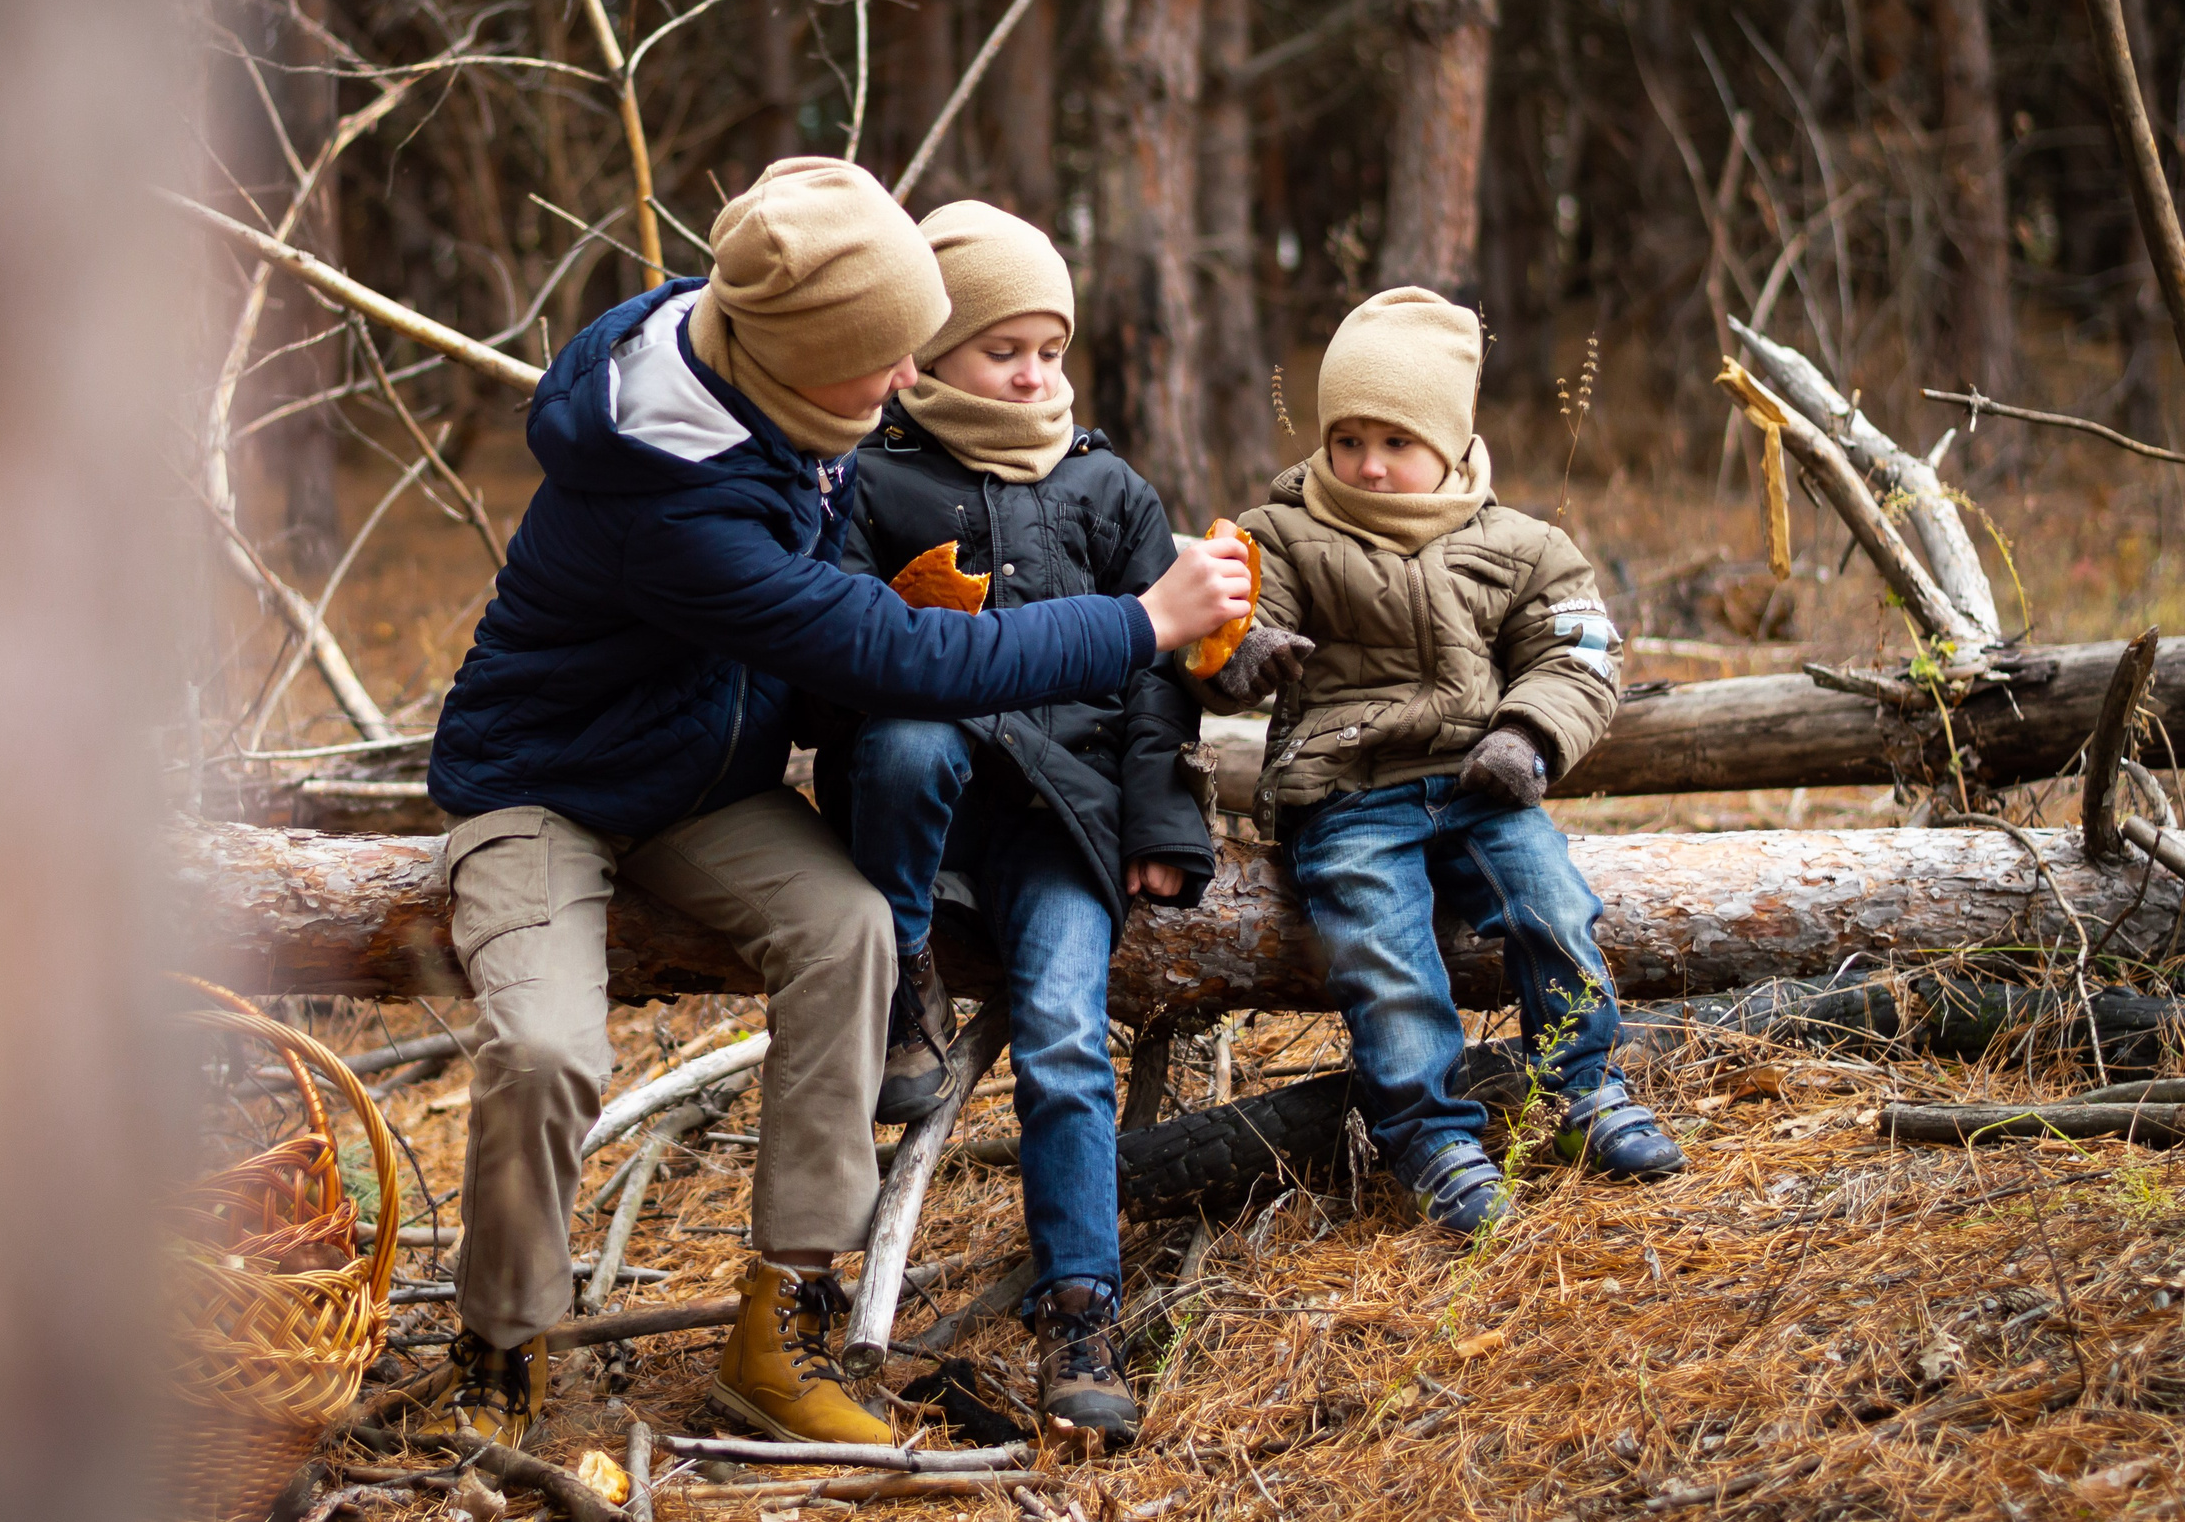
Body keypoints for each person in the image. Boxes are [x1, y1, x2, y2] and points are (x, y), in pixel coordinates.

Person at [422, 158, 1253, 1449]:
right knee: (544, 1051)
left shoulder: (752, 337)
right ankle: (505, 1339)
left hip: (705, 785)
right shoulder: (671, 502)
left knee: (855, 930)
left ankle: (779, 1323)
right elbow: (898, 655)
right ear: (802, 367)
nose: (905, 387)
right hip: (547, 792)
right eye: (888, 369)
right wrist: (1145, 621)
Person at [818, 201, 1211, 1445]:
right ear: (929, 354)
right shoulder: (871, 479)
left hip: (1064, 818)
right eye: (1004, 349)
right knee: (906, 735)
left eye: (1050, 346)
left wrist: (1158, 819)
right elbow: (826, 662)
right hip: (920, 812)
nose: (1033, 371)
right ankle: (905, 971)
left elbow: (1159, 676)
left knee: (1061, 1036)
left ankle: (1079, 1307)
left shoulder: (1107, 487)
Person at [1198, 286, 1684, 1238]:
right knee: (1384, 953)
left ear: (1454, 443)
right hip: (1348, 797)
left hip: (1482, 784)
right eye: (1348, 442)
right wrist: (1238, 648)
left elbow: (1578, 655)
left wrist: (1528, 737)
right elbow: (1233, 618)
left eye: (1395, 443)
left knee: (1555, 905)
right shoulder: (1282, 531)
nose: (1368, 467)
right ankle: (1428, 1133)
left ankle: (1583, 1083)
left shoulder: (1525, 545)